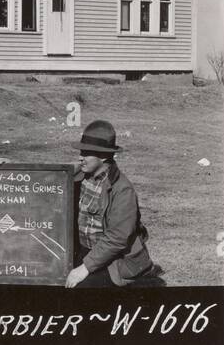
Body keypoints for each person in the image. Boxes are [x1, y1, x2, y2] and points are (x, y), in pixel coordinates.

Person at [65, 120, 156, 288]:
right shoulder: (80, 175)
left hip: (114, 259)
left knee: (79, 287)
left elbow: (117, 238)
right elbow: (48, 178)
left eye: (86, 153)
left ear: (104, 156)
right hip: (83, 250)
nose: (80, 157)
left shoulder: (122, 190)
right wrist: (4, 167)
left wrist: (84, 268)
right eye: (81, 151)